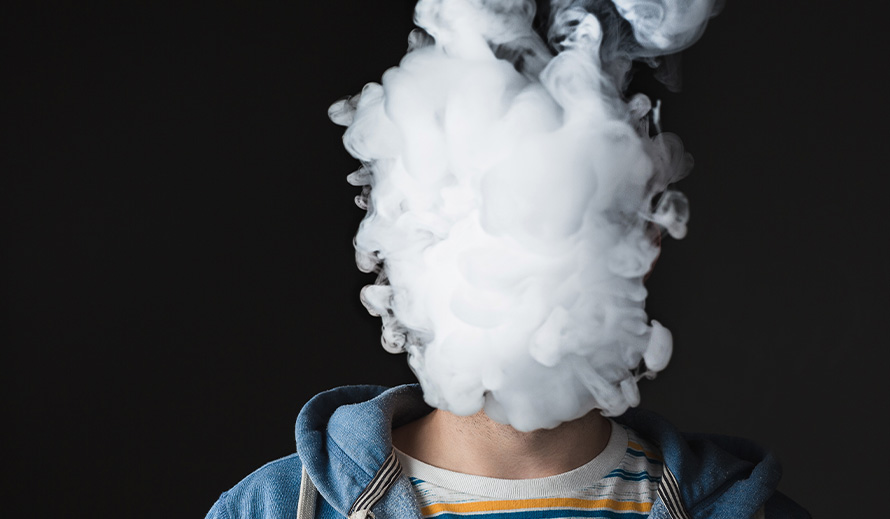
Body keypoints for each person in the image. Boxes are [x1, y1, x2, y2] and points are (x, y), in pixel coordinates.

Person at [206, 1, 810, 517]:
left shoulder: (748, 512)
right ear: (398, 245)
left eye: (563, 218)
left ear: (641, 247)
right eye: (465, 215)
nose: (507, 263)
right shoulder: (277, 508)